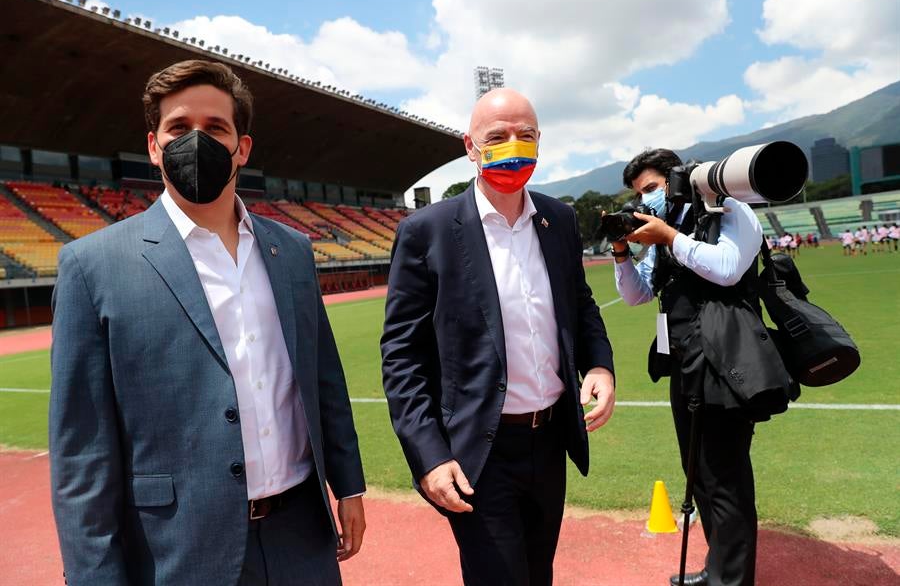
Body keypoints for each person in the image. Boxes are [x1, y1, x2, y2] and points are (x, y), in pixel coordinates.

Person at [50, 60, 366, 586]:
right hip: (178, 549)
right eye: (178, 128)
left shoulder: (290, 250)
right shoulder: (92, 265)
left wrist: (349, 485)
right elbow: (82, 451)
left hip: (302, 539)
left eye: (215, 128)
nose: (195, 141)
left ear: (243, 147)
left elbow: (323, 378)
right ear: (154, 146)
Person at [381, 88, 615, 586]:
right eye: (498, 136)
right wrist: (428, 454)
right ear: (471, 147)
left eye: (525, 135)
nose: (514, 145)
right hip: (479, 451)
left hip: (550, 440)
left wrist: (598, 365)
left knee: (538, 574)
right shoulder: (428, 230)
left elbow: (580, 304)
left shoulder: (560, 219)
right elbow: (402, 355)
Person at [610, 148, 791, 586]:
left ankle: (731, 580)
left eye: (652, 188)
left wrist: (670, 237)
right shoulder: (672, 226)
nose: (648, 199)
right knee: (700, 475)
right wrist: (620, 250)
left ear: (677, 178)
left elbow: (728, 269)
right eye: (640, 193)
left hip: (727, 361)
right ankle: (718, 569)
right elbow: (636, 295)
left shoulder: (732, 209)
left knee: (724, 475)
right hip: (685, 361)